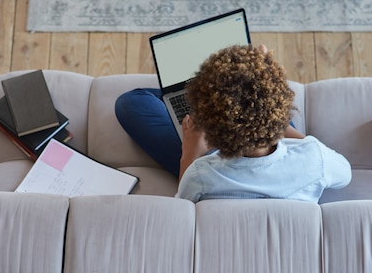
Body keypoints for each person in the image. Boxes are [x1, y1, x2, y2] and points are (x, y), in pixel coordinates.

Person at [115, 44, 351, 202]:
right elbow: (345, 174)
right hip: (267, 145)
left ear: (210, 130)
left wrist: (189, 154)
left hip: (223, 159)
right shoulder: (316, 159)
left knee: (131, 102)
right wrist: (282, 128)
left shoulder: (199, 174)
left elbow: (183, 208)